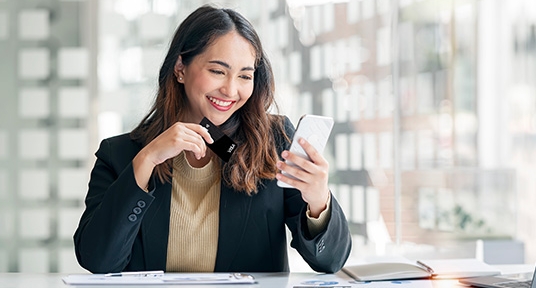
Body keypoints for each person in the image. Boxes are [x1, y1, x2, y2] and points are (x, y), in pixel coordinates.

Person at [73, 4, 352, 274]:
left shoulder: (273, 143)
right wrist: (146, 160)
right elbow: (98, 261)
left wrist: (318, 201)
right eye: (217, 71)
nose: (231, 90)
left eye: (245, 75)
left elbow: (330, 261)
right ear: (180, 67)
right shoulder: (119, 154)